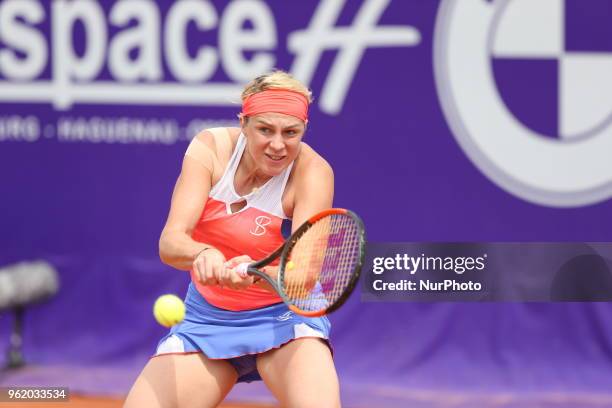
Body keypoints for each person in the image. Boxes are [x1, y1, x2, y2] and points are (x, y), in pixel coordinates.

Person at [124, 71, 340, 408]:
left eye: (291, 132)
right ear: (244, 123)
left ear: (304, 130)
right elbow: (171, 241)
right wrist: (203, 253)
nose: (278, 145)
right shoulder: (209, 149)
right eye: (265, 129)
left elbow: (302, 279)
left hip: (285, 319)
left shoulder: (313, 173)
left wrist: (254, 271)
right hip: (207, 319)